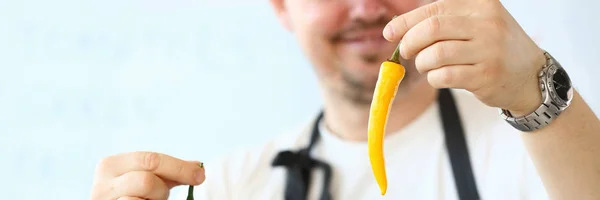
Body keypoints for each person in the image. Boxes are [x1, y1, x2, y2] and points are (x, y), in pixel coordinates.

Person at [90, 0, 600, 199]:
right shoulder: (230, 187)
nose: (366, 7)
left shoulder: (546, 146)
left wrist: (539, 91)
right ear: (281, 8)